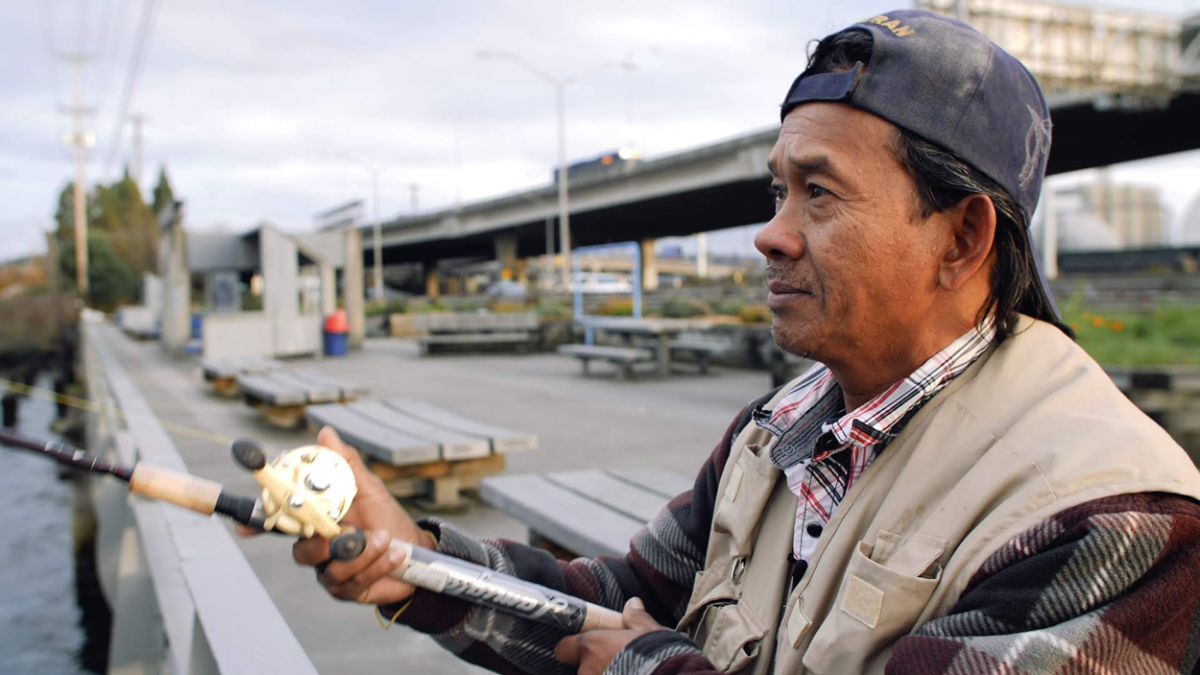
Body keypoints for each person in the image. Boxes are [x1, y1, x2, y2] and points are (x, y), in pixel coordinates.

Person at [290, 11, 1200, 674]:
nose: (771, 233)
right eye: (777, 192)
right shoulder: (783, 426)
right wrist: (412, 559)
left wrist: (648, 666)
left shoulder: (1117, 513)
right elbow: (620, 598)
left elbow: (632, 643)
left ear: (961, 238)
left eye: (820, 193)